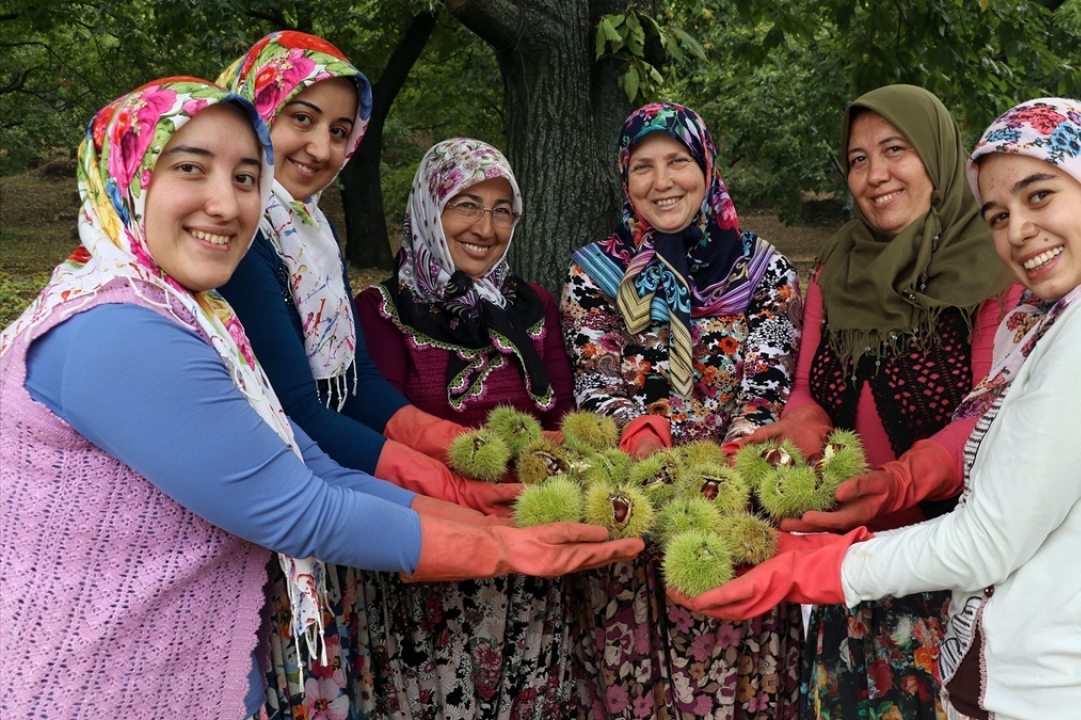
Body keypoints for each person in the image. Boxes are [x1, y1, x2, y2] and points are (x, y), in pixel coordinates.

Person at [0, 78, 641, 720]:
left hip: (178, 670)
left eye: (248, 177)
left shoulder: (196, 314)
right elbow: (296, 508)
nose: (225, 203)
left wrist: (475, 513)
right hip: (94, 683)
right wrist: (500, 545)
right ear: (125, 171)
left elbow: (307, 459)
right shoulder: (117, 330)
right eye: (191, 168)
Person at [677, 98, 1081, 720]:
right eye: (996, 213)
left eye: (1039, 195)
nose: (1017, 230)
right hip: (1050, 679)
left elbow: (986, 538)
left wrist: (816, 561)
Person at [212, 32, 600, 719]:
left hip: (342, 502)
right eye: (300, 118)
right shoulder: (244, 246)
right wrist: (451, 489)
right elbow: (301, 407)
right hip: (277, 520)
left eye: (339, 129)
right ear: (250, 111)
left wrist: (464, 459)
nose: (322, 148)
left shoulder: (308, 240)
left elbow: (355, 387)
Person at [733, 84, 1014, 720]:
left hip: (949, 568)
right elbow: (809, 388)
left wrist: (902, 481)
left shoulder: (993, 268)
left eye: (895, 150)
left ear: (937, 158)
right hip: (847, 562)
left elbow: (988, 417)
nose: (875, 174)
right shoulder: (837, 268)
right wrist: (800, 426)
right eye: (858, 159)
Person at [561, 102, 802, 719]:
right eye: (643, 166)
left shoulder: (763, 267)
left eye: (678, 162)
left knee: (728, 686)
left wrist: (724, 470)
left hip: (731, 506)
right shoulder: (595, 271)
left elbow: (768, 383)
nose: (661, 181)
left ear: (707, 167)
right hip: (633, 504)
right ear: (624, 177)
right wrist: (651, 455)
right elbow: (595, 382)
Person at [353, 138, 577, 718]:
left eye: (503, 209)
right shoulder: (383, 310)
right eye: (466, 204)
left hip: (529, 544)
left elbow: (559, 419)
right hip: (432, 545)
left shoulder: (535, 306)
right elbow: (386, 431)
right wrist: (467, 498)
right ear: (430, 207)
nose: (486, 225)